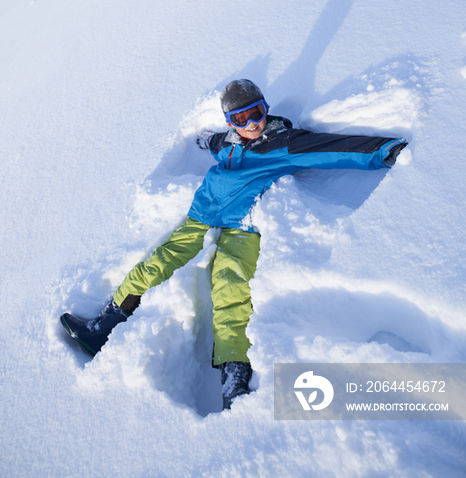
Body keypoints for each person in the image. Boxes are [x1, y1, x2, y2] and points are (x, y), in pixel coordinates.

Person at [60, 79, 407, 409]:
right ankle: (102, 327)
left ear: (265, 109)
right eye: (239, 118)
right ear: (229, 121)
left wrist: (383, 151)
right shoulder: (226, 142)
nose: (250, 123)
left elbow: (333, 150)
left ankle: (234, 377)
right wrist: (203, 140)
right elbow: (212, 142)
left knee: (230, 289)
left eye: (255, 113)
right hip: (200, 216)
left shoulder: (284, 142)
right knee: (156, 262)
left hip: (242, 226)